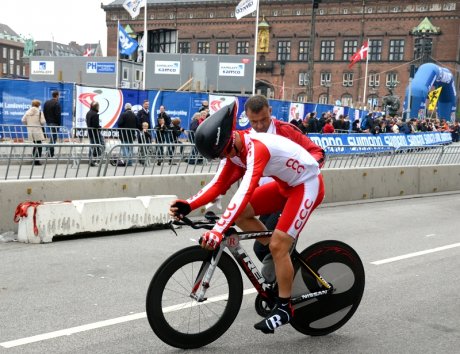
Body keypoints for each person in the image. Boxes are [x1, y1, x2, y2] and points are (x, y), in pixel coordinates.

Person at [169, 102, 325, 334]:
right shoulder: (233, 149)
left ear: (229, 143)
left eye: (223, 154)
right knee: (242, 217)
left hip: (306, 185)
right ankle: (283, 255)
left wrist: (219, 229)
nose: (224, 158)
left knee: (277, 244)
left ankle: (284, 307)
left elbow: (245, 191)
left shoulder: (255, 148)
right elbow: (218, 185)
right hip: (284, 186)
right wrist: (188, 205)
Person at [243, 95, 325, 263]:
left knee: (269, 247)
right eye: (254, 122)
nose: (260, 126)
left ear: (270, 112)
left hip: (293, 194)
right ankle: (290, 271)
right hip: (268, 195)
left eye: (264, 120)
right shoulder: (248, 138)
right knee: (267, 248)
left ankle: (288, 280)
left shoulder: (286, 131)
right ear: (248, 118)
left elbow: (317, 151)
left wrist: (308, 168)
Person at [22, 99, 46, 165]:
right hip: (37, 130)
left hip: (30, 131)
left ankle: (34, 159)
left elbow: (23, 120)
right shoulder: (39, 112)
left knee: (35, 145)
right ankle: (37, 160)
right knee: (39, 145)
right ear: (38, 105)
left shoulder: (27, 112)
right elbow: (43, 122)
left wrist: (28, 125)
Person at [43, 90, 61, 157]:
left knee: (52, 138)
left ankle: (49, 153)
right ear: (57, 95)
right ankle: (50, 153)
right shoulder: (57, 103)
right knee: (53, 138)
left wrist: (47, 121)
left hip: (48, 122)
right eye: (59, 95)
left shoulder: (46, 103)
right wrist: (59, 124)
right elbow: (58, 115)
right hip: (55, 123)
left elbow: (44, 113)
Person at [86, 101, 103, 166]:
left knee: (92, 146)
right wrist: (99, 127)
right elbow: (95, 125)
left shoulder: (88, 113)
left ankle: (91, 160)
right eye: (98, 106)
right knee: (98, 146)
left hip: (90, 132)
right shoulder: (95, 114)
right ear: (96, 107)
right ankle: (95, 160)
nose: (99, 108)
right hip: (95, 133)